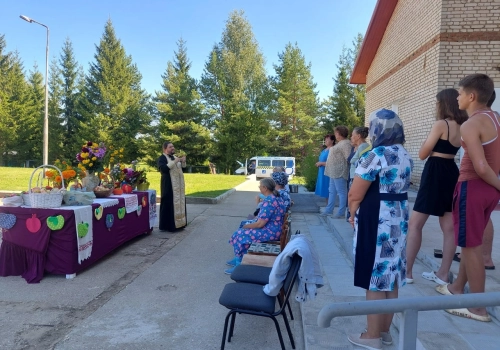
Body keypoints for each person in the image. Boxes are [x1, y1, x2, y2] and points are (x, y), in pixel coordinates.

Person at [435, 74, 500, 322]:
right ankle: (457, 288)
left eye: (460, 93)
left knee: (471, 248)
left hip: (473, 187)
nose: (457, 97)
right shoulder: (495, 118)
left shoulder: (471, 124)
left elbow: (481, 166)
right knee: (470, 242)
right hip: (487, 192)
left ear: (471, 96)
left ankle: (478, 308)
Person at [347, 108, 413, 349]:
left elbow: (355, 193)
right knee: (391, 273)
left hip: (377, 218)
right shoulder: (405, 154)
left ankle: (372, 335)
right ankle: (384, 333)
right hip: (399, 217)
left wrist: (352, 213)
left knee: (374, 276)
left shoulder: (375, 155)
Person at [405, 89, 468, 285]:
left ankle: (407, 273)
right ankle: (443, 273)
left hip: (434, 172)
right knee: (448, 228)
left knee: (415, 224)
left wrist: (427, 142)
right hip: (452, 171)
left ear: (443, 104)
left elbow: (423, 153)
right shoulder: (463, 125)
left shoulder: (442, 124)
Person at [226, 178, 285, 274]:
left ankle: (239, 264)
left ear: (265, 188)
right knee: (243, 225)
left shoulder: (269, 202)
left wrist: (246, 227)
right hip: (274, 229)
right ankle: (239, 257)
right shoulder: (276, 197)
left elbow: (260, 224)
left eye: (260, 186)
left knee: (241, 233)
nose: (259, 188)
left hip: (270, 232)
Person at [322, 126, 352, 218]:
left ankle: (341, 212)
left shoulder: (346, 143)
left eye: (336, 133)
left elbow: (348, 157)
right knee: (332, 191)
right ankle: (329, 209)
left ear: (339, 133)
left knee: (342, 192)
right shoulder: (341, 143)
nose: (335, 135)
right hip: (333, 171)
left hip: (339, 171)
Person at [157, 141, 187, 232]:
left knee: (179, 203)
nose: (173, 148)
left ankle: (180, 224)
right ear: (165, 148)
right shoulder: (161, 158)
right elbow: (163, 169)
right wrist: (175, 161)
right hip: (168, 185)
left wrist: (183, 162)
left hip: (178, 186)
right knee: (168, 203)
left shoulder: (174, 157)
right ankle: (169, 226)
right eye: (170, 147)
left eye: (173, 146)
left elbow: (183, 169)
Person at [346, 127, 371, 222]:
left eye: (353, 135)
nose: (351, 137)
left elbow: (361, 162)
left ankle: (354, 219)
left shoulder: (363, 147)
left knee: (353, 199)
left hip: (357, 177)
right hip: (353, 175)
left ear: (358, 136)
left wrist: (353, 160)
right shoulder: (358, 147)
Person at [315, 134, 335, 201]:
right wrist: (319, 163)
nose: (325, 141)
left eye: (327, 139)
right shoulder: (324, 150)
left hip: (328, 173)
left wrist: (321, 163)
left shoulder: (333, 150)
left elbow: (334, 162)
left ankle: (329, 208)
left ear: (332, 141)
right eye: (325, 139)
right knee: (325, 191)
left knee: (328, 190)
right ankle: (328, 207)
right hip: (322, 171)